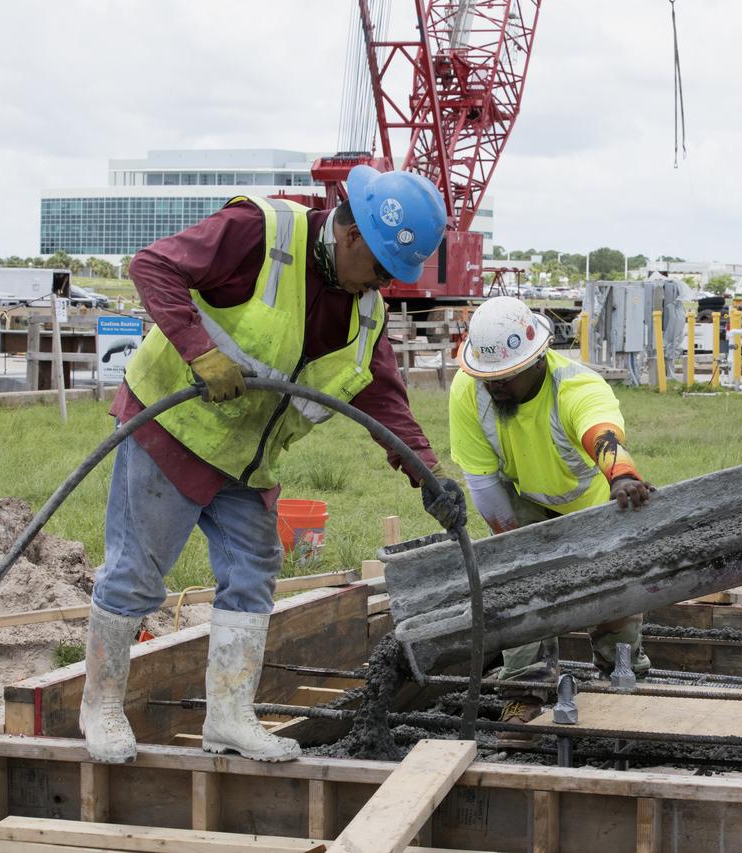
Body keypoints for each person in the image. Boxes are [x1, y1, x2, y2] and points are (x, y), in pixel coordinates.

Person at [80, 166, 466, 765]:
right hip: (172, 431)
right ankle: (99, 708)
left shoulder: (365, 311)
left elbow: (383, 397)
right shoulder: (261, 232)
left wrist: (429, 474)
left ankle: (229, 720)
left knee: (254, 570)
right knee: (137, 574)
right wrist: (200, 353)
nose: (388, 282)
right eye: (384, 267)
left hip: (245, 460)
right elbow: (153, 266)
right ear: (352, 234)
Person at [448, 296, 655, 742]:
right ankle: (525, 692)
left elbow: (602, 433)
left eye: (505, 376)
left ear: (537, 359)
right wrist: (515, 552)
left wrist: (622, 475)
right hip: (522, 501)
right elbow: (482, 483)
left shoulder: (576, 386)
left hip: (594, 505)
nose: (494, 386)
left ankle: (622, 675)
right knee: (518, 584)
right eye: (488, 377)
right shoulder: (469, 391)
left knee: (614, 592)